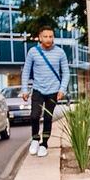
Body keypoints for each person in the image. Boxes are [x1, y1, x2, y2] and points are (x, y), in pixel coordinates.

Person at [21, 26, 70, 157]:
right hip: (38, 89)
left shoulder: (60, 53)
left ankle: (44, 144)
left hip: (53, 91)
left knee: (48, 118)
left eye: (51, 36)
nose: (48, 39)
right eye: (46, 36)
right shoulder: (32, 52)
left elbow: (66, 72)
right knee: (34, 116)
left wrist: (62, 89)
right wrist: (25, 89)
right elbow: (26, 71)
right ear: (40, 37)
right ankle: (35, 139)